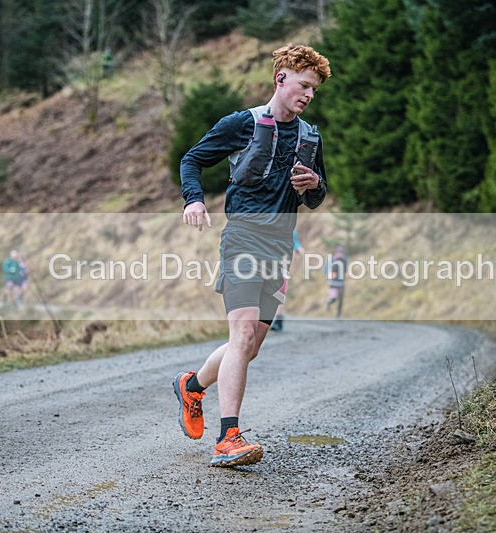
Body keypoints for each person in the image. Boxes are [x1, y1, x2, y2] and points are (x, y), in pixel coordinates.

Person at [173, 44, 331, 467]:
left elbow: (317, 197)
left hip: (280, 248)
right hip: (242, 238)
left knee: (249, 346)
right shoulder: (242, 124)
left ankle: (192, 385)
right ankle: (228, 438)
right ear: (281, 79)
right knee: (241, 337)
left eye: (313, 90)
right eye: (303, 85)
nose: (308, 95)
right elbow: (192, 159)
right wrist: (194, 200)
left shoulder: (310, 136)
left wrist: (314, 184)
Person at [269, 228, 304, 332]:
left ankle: (278, 319)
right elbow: (299, 249)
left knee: (279, 292)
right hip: (267, 265)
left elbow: (298, 247)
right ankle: (275, 318)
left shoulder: (291, 230)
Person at [325, 245, 347, 318]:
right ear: (336, 252)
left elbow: (346, 270)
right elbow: (326, 269)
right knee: (333, 298)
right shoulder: (331, 260)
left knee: (341, 298)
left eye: (342, 253)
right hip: (333, 282)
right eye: (339, 252)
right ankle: (329, 302)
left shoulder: (344, 260)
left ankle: (339, 314)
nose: (340, 254)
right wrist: (328, 275)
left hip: (341, 282)